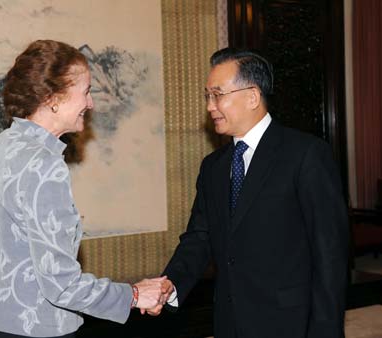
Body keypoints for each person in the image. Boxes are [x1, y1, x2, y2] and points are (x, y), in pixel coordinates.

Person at [0, 39, 169, 338]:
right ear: (53, 98)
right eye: (85, 92)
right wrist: (135, 295)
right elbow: (61, 284)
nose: (91, 103)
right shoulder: (44, 165)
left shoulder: (2, 145)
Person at [148, 48, 349, 338]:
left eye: (217, 95)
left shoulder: (306, 155)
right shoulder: (213, 167)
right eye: (207, 96)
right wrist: (172, 282)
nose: (210, 106)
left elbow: (329, 254)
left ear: (252, 96)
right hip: (229, 322)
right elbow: (199, 237)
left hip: (290, 323)